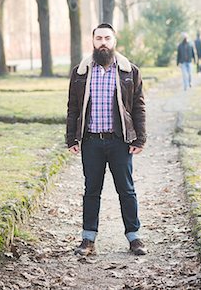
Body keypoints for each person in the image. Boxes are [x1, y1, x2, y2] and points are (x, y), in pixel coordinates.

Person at [66, 23, 147, 257]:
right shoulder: (80, 72)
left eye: (107, 38)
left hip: (120, 141)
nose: (103, 42)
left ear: (114, 42)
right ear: (93, 41)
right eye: (99, 38)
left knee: (126, 190)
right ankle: (88, 239)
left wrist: (139, 138)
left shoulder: (129, 71)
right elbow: (73, 107)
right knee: (91, 191)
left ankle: (134, 237)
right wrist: (72, 137)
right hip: (91, 141)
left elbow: (139, 107)